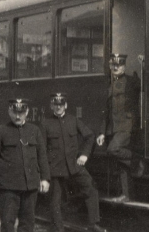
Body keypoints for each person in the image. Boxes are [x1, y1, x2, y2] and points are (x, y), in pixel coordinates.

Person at [40, 93, 106, 232]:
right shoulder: (45, 123)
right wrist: (45, 174)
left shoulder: (73, 120)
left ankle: (93, 224)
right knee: (55, 201)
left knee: (91, 189)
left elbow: (89, 136)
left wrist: (84, 155)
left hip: (74, 166)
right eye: (55, 104)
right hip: (55, 168)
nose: (58, 107)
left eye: (61, 104)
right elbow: (42, 150)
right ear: (51, 106)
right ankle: (58, 229)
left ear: (66, 105)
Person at [0, 98, 51, 232]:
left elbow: (42, 156)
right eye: (14, 112)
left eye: (21, 113)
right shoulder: (0, 131)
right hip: (8, 187)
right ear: (9, 112)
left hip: (30, 186)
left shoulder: (35, 130)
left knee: (27, 224)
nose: (18, 116)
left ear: (27, 112)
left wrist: (45, 178)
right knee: (7, 223)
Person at [96, 53, 143, 203]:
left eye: (119, 65)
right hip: (115, 128)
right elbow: (107, 111)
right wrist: (102, 133)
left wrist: (144, 66)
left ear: (124, 66)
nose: (116, 68)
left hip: (128, 126)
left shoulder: (132, 81)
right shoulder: (109, 84)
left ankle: (136, 161)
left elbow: (147, 84)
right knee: (122, 164)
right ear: (110, 66)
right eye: (113, 65)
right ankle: (127, 195)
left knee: (113, 149)